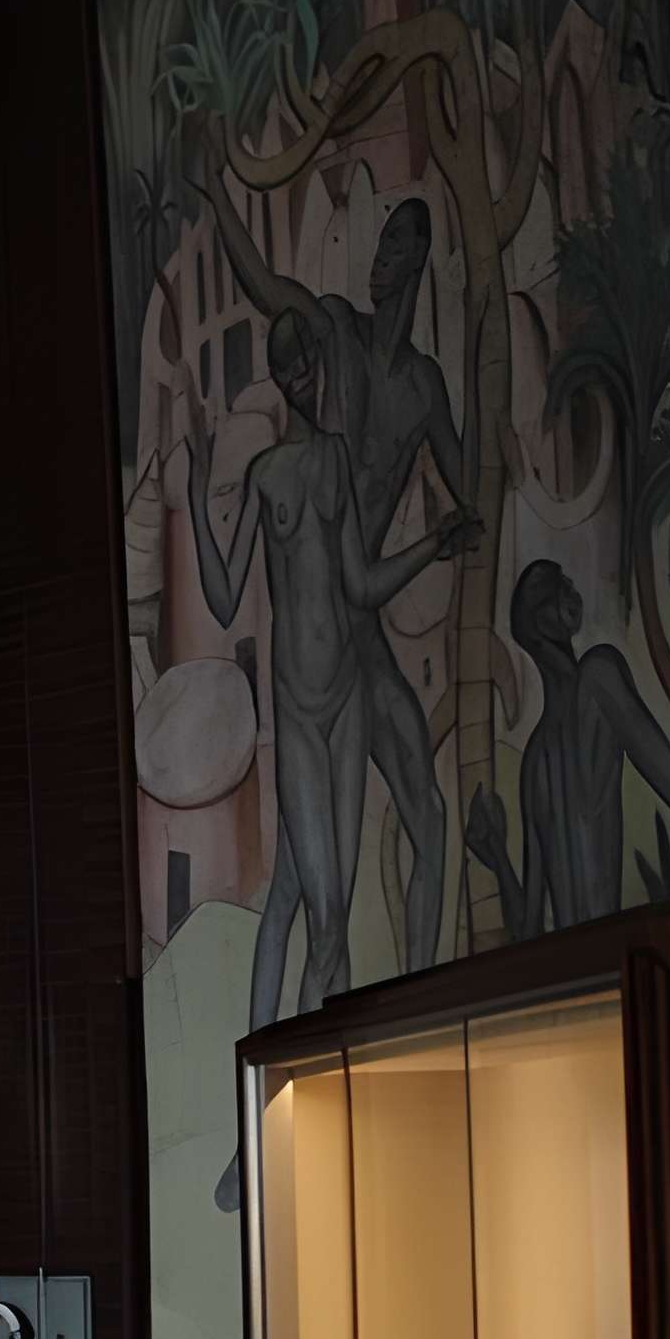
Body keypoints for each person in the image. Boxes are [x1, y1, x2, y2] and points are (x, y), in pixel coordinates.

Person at [198, 187, 472, 997]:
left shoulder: (423, 388)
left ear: (417, 264)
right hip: (314, 671)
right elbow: (260, 283)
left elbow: (470, 483)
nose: (380, 259)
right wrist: (218, 183)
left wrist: (460, 522)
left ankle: (418, 1010)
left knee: (421, 823)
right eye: (379, 244)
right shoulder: (335, 336)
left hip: (363, 644)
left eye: (395, 247)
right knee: (304, 896)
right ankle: (263, 1082)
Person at [464, 559, 670, 935]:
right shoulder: (597, 677)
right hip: (608, 952)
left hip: (572, 972)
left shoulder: (535, 759)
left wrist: (497, 856)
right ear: (545, 622)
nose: (573, 589)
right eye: (562, 585)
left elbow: (528, 929)